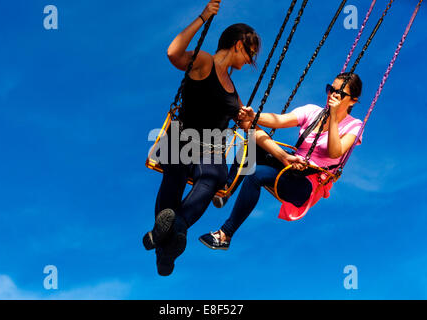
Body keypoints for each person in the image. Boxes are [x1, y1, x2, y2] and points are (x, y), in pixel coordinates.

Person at [143, 0, 301, 276]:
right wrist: (204, 16)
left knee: (215, 175)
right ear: (239, 44)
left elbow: (252, 130)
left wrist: (283, 156)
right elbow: (173, 53)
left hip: (210, 150)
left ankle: (173, 229)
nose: (249, 62)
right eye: (250, 54)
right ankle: (165, 245)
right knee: (176, 169)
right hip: (182, 138)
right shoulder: (203, 61)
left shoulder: (233, 90)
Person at [199, 72, 364, 250]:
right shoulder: (313, 112)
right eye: (331, 89)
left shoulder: (354, 126)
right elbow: (279, 120)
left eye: (340, 93)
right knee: (254, 141)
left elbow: (334, 152)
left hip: (308, 183)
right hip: (291, 165)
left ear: (353, 101)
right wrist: (254, 116)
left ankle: (225, 235)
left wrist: (333, 117)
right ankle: (226, 188)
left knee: (256, 175)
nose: (332, 95)